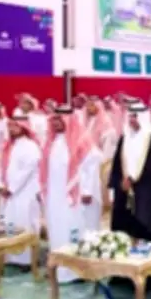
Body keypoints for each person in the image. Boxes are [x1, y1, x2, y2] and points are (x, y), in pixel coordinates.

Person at [42, 106, 103, 283]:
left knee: (73, 230)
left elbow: (91, 168)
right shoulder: (52, 141)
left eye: (59, 119)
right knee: (57, 230)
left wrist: (87, 191)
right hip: (55, 196)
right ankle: (58, 267)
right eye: (54, 119)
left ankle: (75, 271)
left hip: (74, 196)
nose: (56, 123)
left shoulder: (82, 140)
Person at [109, 102, 151, 257]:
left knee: (144, 230)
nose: (132, 120)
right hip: (124, 192)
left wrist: (133, 179)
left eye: (136, 116)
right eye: (130, 116)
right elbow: (116, 165)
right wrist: (120, 182)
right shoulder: (124, 138)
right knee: (124, 230)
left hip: (146, 193)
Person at [0, 114, 43, 266]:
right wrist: (0, 185)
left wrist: (11, 188)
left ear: (24, 128)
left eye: (15, 126)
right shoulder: (8, 146)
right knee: (10, 222)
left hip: (26, 192)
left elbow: (27, 171)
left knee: (26, 223)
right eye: (10, 126)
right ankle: (11, 257)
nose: (11, 129)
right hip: (9, 193)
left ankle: (27, 260)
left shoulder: (31, 146)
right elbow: (0, 166)